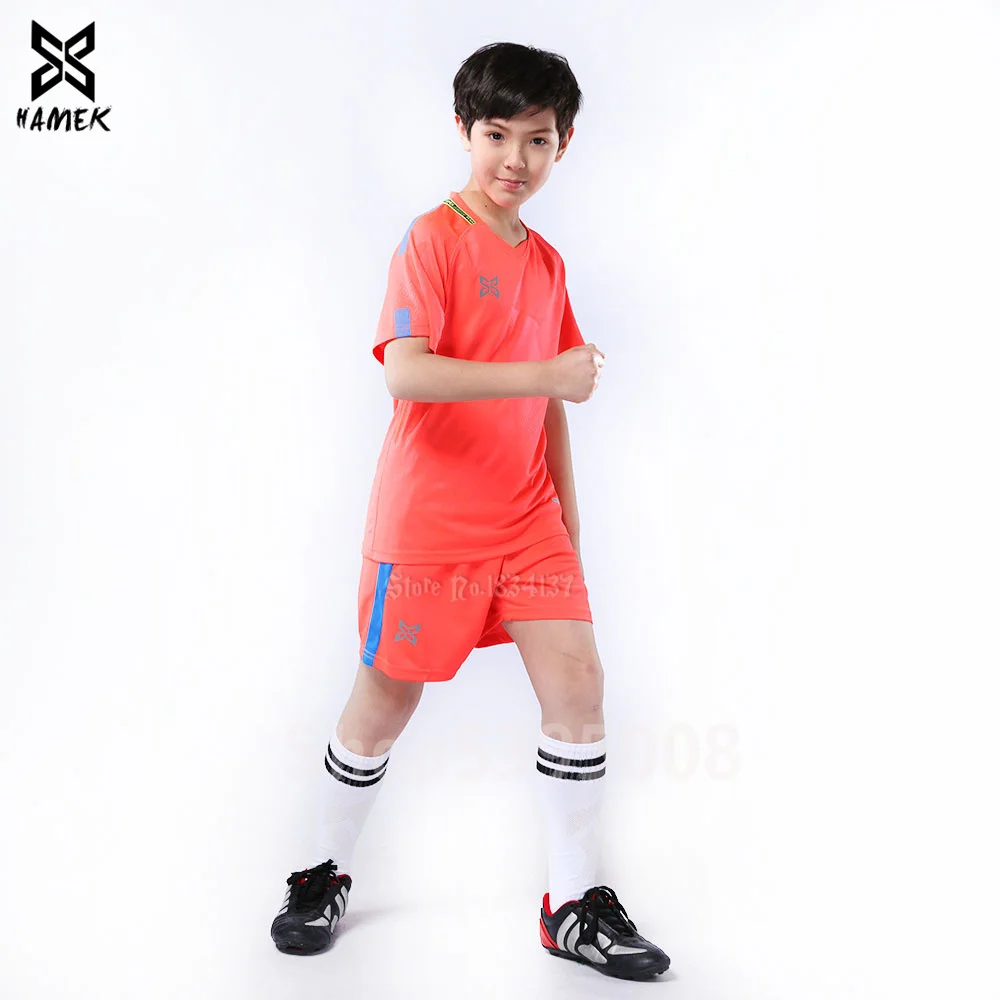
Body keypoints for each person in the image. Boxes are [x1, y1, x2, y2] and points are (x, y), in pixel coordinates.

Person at [269, 41, 671, 981]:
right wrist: (543, 374)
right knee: (386, 699)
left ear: (564, 145)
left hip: (528, 520)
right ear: (464, 131)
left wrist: (569, 524)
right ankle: (321, 872)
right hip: (430, 521)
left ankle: (572, 905)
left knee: (578, 685)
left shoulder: (549, 265)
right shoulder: (432, 239)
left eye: (537, 140)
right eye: (497, 135)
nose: (514, 160)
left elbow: (553, 406)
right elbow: (407, 373)